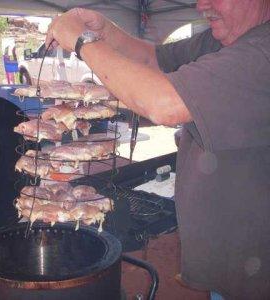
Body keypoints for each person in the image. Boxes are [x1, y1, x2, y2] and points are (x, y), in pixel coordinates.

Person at [46, 1, 270, 299]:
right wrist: (105, 31)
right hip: (235, 260)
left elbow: (164, 104)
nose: (202, 5)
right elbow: (154, 59)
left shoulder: (262, 51)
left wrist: (81, 41)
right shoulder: (225, 39)